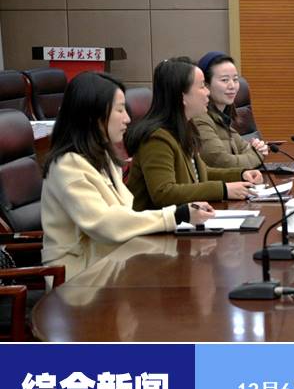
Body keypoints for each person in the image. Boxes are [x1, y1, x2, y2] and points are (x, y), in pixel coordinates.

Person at [40, 73, 215, 280]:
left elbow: (124, 211)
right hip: (79, 278)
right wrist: (175, 216)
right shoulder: (68, 165)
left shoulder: (102, 156)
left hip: (110, 263)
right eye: (120, 110)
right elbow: (105, 224)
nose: (127, 119)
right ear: (94, 115)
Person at [125, 58, 263, 210]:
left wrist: (241, 174)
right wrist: (223, 189)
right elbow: (164, 193)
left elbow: (200, 173)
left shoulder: (185, 127)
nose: (208, 92)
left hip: (186, 219)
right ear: (182, 96)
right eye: (202, 86)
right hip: (157, 223)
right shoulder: (156, 138)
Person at [193, 51, 269, 170]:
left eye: (235, 79)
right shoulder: (200, 119)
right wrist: (257, 154)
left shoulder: (222, 118)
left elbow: (245, 148)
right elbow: (225, 163)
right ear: (206, 84)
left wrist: (256, 149)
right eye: (224, 80)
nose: (232, 86)